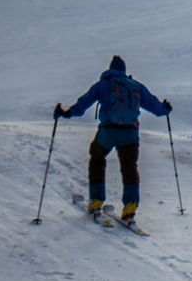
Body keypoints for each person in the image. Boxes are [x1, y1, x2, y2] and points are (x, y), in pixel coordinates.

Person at [56, 55, 172, 224]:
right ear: (124, 71)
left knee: (97, 158)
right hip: (130, 134)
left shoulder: (103, 85)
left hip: (108, 131)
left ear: (110, 69)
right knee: (130, 168)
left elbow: (84, 103)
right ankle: (130, 206)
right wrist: (165, 109)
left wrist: (66, 113)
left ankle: (96, 201)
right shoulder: (135, 86)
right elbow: (155, 107)